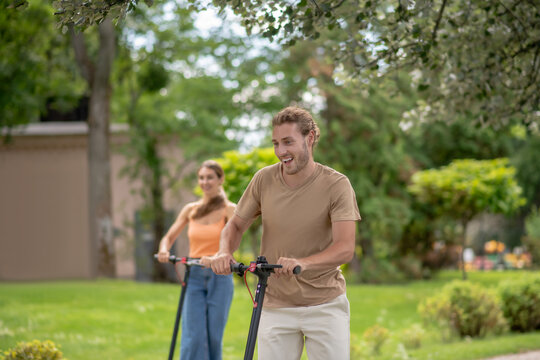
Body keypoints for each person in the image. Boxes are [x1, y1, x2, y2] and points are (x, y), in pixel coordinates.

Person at [202, 106, 361, 360]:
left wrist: (303, 263)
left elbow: (345, 248)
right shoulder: (264, 180)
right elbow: (234, 225)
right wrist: (224, 251)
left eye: (288, 142)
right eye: (276, 143)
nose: (280, 151)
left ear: (309, 138)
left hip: (325, 304)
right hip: (275, 305)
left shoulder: (336, 184)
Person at [157, 160, 235, 360]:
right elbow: (168, 237)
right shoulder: (191, 209)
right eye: (201, 177)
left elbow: (235, 241)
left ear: (220, 180)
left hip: (220, 275)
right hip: (194, 276)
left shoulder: (229, 209)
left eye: (210, 177)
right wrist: (164, 250)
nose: (205, 182)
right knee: (193, 336)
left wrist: (219, 256)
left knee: (213, 337)